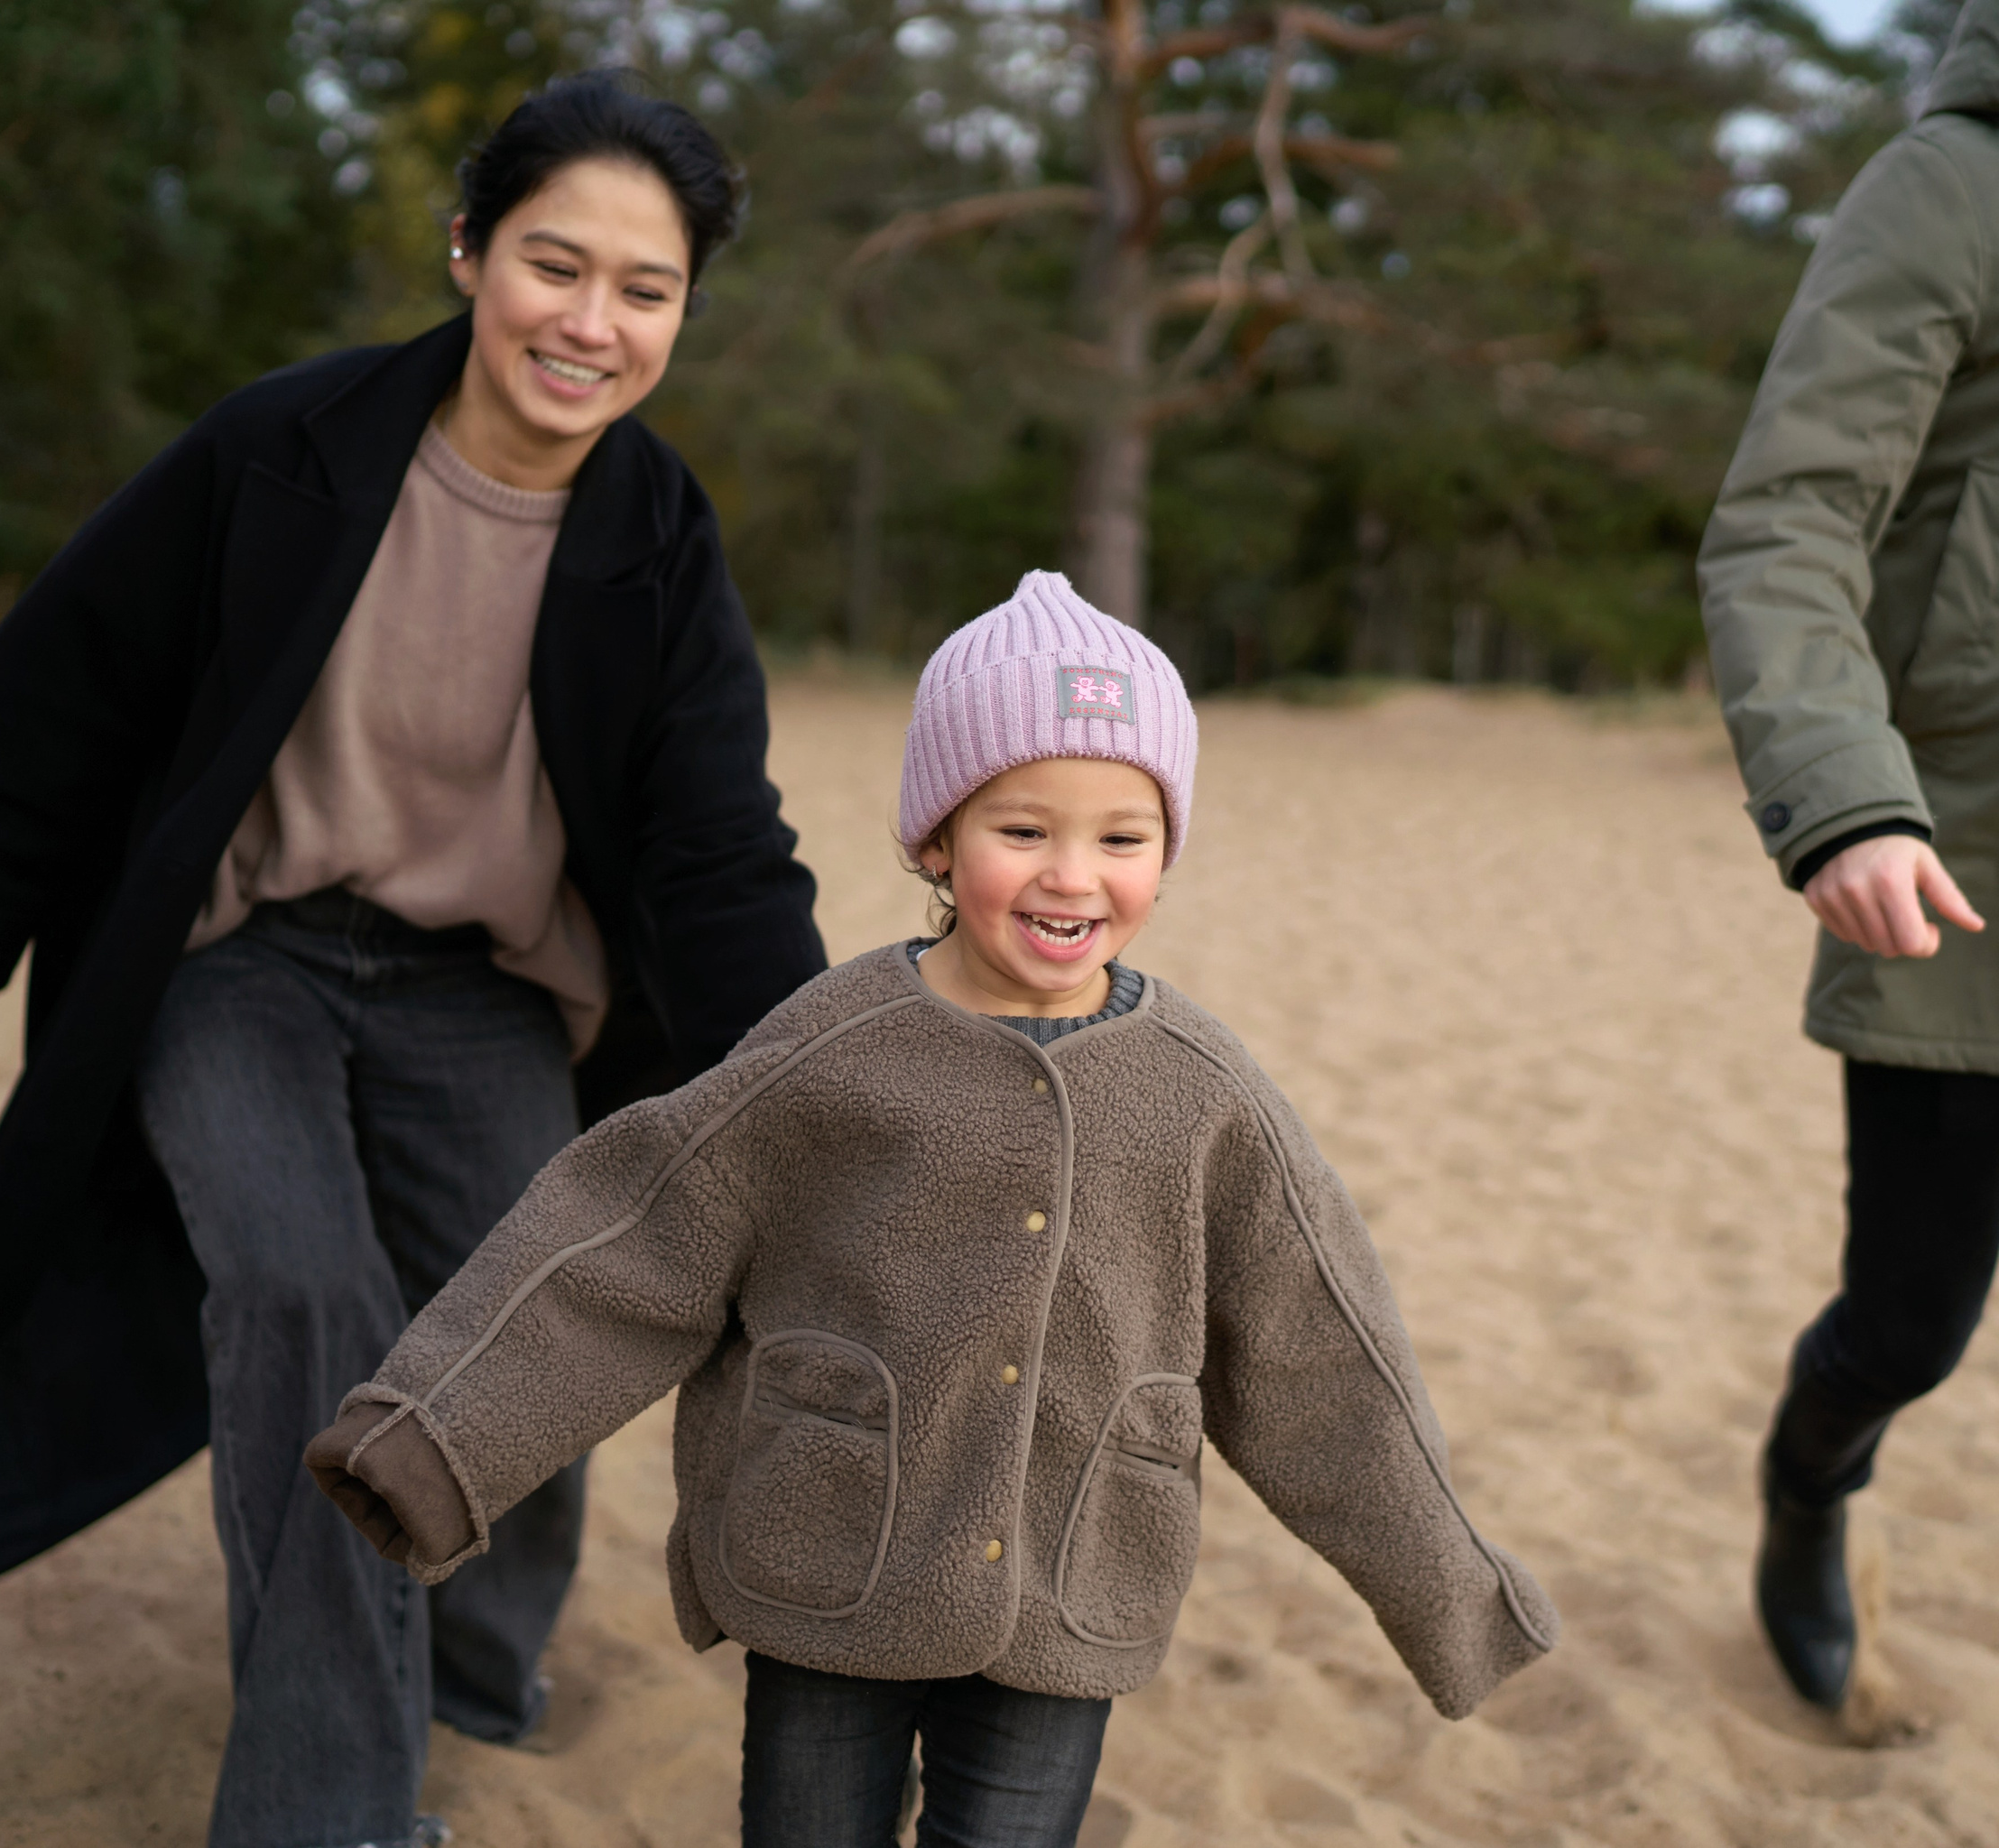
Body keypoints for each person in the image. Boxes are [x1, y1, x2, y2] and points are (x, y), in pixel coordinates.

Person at [0, 74, 825, 1848]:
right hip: (239, 963)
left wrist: (816, 1072)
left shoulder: (657, 543)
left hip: (491, 988)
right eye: (553, 264)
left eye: (645, 288)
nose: (589, 322)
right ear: (467, 252)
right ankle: (327, 1810)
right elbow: (66, 689)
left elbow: (715, 842)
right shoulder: (281, 452)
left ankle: (471, 1650)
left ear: (683, 310)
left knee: (523, 1310)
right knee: (302, 1303)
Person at [303, 571, 1559, 1846]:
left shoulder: (1205, 1095)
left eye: (1122, 838)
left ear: (1166, 855)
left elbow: (1321, 1359)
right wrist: (437, 1440)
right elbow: (625, 1245)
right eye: (1023, 831)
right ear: (934, 842)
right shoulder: (830, 1049)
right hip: (829, 1562)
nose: (1073, 876)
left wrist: (1449, 1595)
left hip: (1072, 1586)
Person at [1697, 0, 1999, 1714]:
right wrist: (1848, 796)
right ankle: (1810, 1489)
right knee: (1910, 1325)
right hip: (1959, 873)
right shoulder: (1951, 185)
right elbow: (1790, 516)